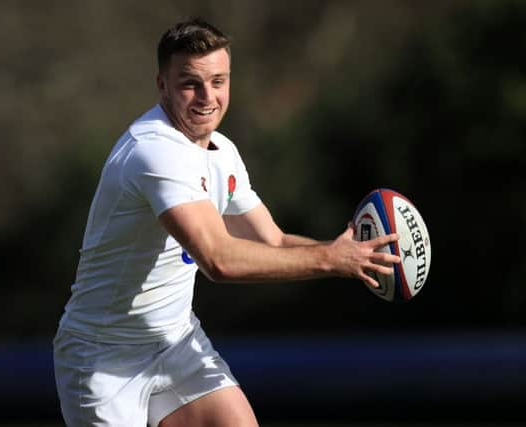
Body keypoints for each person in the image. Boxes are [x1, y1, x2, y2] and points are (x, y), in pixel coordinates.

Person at [53, 18, 400, 427]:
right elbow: (219, 259)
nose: (207, 97)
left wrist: (353, 256)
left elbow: (273, 241)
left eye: (218, 81)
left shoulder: (223, 151)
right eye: (190, 83)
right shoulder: (154, 152)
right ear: (162, 85)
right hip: (103, 357)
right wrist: (329, 259)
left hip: (174, 343)